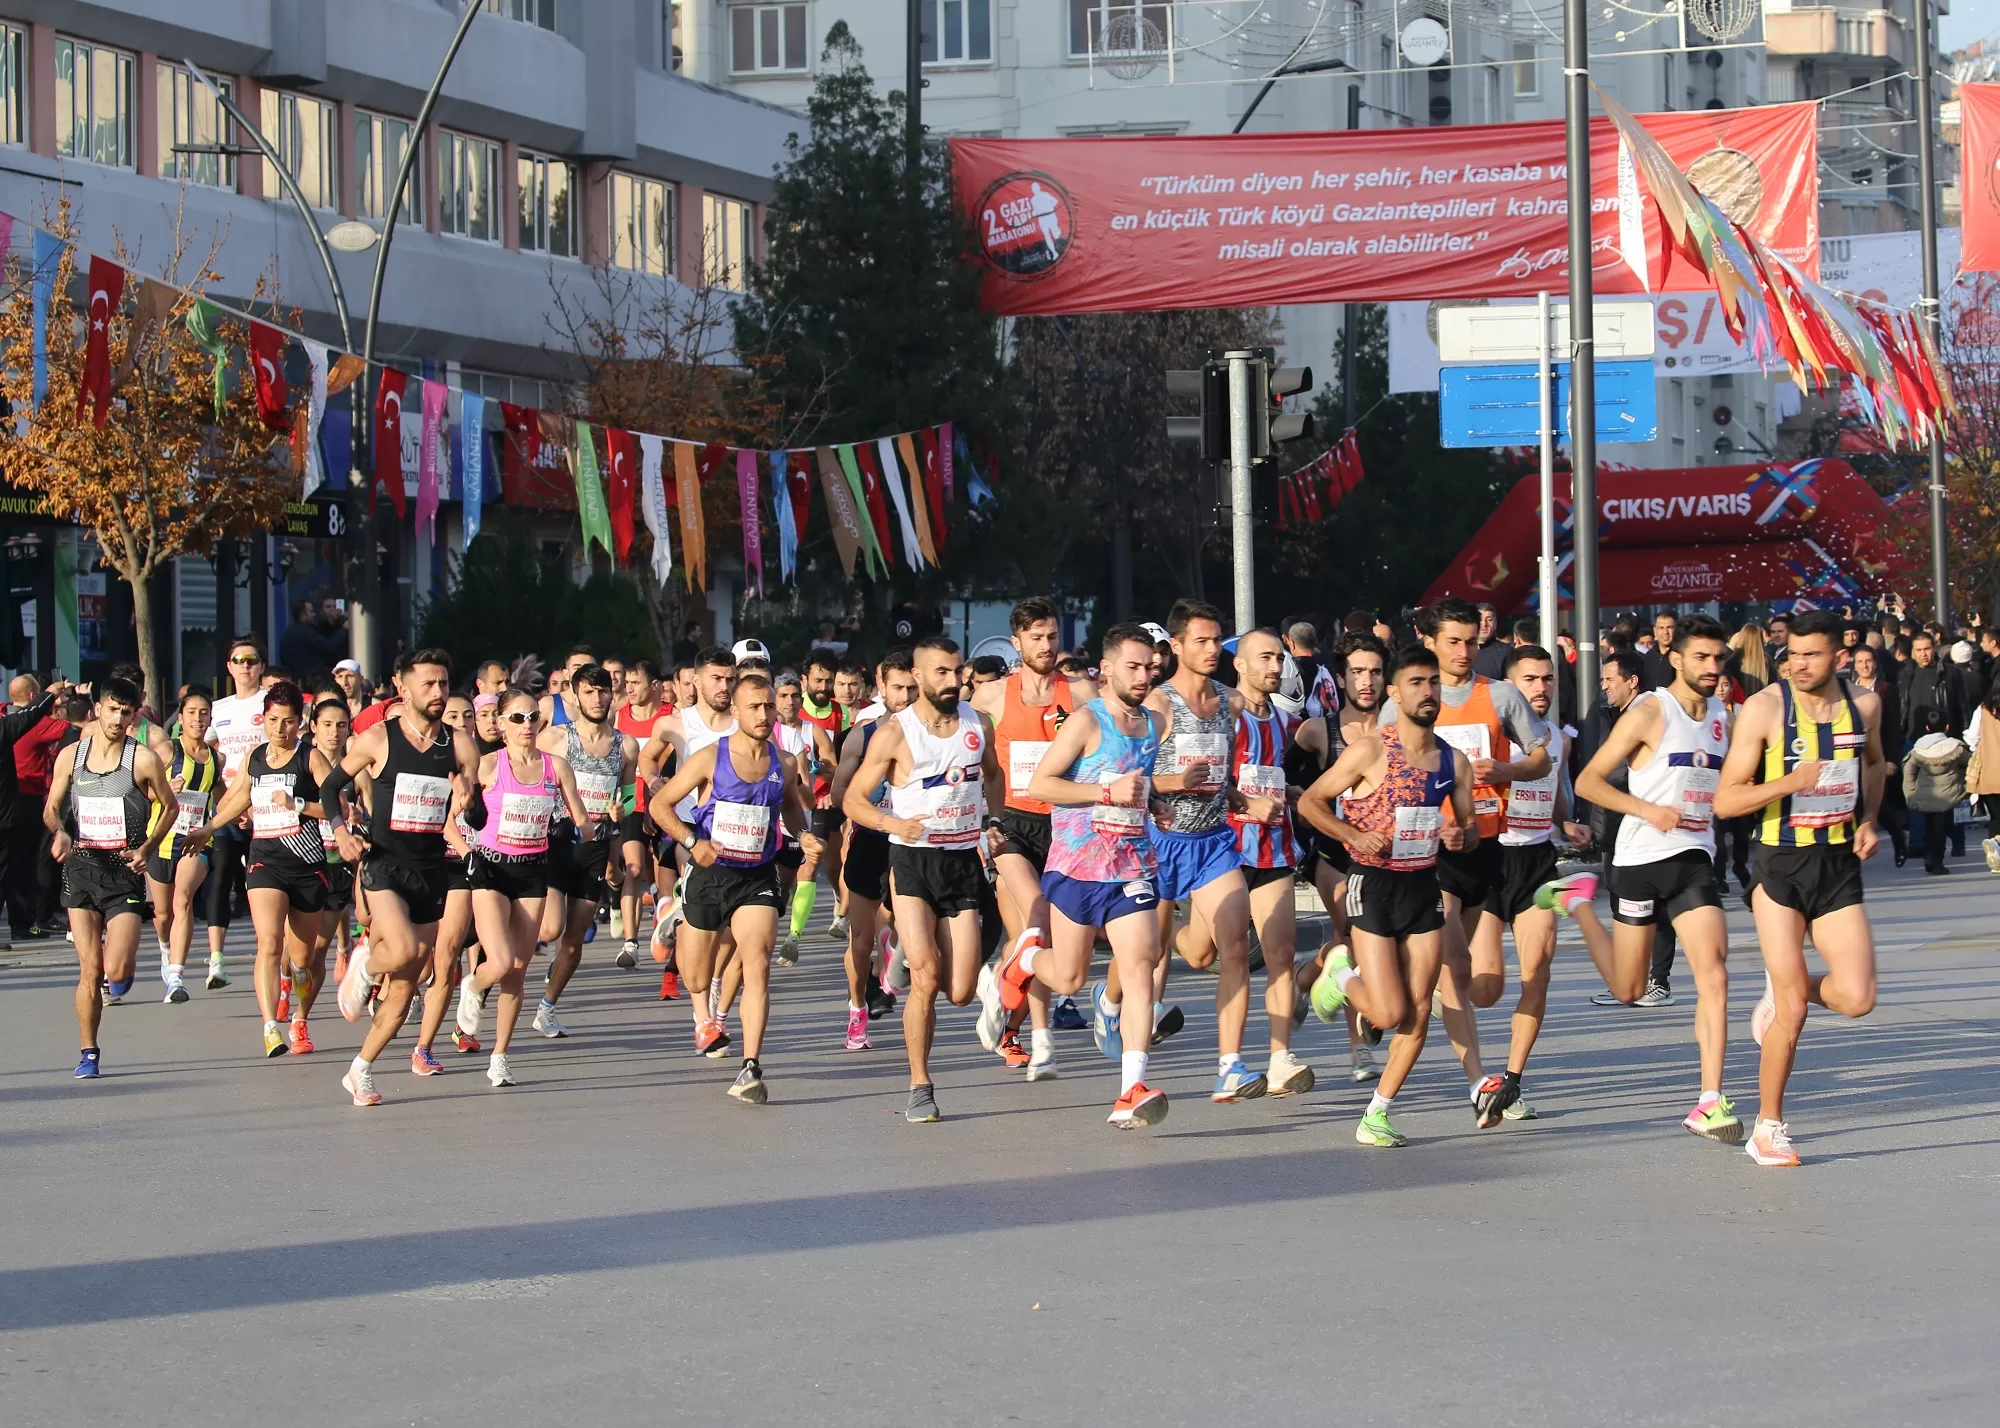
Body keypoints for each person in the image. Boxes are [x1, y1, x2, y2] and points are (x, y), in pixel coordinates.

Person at [1714, 609, 1886, 1167]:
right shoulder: (1766, 708)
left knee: (1858, 997)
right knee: (1793, 1010)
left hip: (1837, 864)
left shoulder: (1865, 704)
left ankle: (1786, 983)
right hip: (1779, 865)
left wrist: (1869, 819)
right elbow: (1725, 800)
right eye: (1792, 654)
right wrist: (1789, 781)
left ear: (1840, 656)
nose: (1799, 664)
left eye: (1812, 655)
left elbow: (1877, 762)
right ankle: (1768, 1128)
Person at [1573, 614, 1743, 1146]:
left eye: (1719, 658)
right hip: (1639, 861)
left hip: (1693, 858)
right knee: (1629, 989)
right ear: (1675, 658)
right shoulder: (1650, 712)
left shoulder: (1724, 715)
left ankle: (1709, 1101)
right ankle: (1576, 902)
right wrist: (1646, 808)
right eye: (1701, 658)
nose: (1712, 668)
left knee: (1714, 976)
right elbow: (1589, 781)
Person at [1299, 644, 1476, 1148]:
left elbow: (1469, 828)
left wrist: (1462, 836)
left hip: (1423, 886)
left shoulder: (1453, 760)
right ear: (1396, 693)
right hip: (1371, 884)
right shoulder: (1372, 749)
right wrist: (1352, 836)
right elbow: (1312, 802)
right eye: (1416, 683)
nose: (1427, 692)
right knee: (1386, 1014)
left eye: (1433, 683)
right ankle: (1338, 966)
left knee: (1420, 1008)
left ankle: (1377, 1113)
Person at [844, 637, 1003, 1122]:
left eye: (958, 672)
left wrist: (993, 823)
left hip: (961, 863)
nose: (953, 681)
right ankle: (920, 1084)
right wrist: (894, 825)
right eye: (941, 673)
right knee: (928, 978)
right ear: (917, 676)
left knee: (958, 991)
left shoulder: (979, 723)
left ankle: (906, 961)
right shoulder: (896, 732)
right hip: (912, 861)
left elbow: (992, 776)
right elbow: (853, 799)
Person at [1405, 597, 1550, 1123]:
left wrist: (1505, 771)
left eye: (1471, 641)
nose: (1464, 651)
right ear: (1430, 641)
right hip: (1430, 849)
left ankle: (1371, 976)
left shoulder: (1502, 695)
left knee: (1477, 983)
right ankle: (1480, 1085)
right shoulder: (1416, 694)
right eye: (1453, 641)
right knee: (1449, 968)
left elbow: (1541, 758)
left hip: (1486, 844)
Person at [1022, 624, 1172, 1128]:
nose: (1143, 676)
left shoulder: (1153, 723)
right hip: (1078, 865)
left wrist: (1158, 803)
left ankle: (1131, 1087)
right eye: (1132, 666)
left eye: (1149, 667)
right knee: (1069, 975)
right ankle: (1024, 960)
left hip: (1131, 864)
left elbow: (1140, 785)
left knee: (1141, 964)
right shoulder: (1087, 722)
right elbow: (1043, 784)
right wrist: (1105, 794)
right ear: (1105, 669)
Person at [323, 649, 483, 1108]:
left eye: (443, 684)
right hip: (384, 863)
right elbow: (331, 787)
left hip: (431, 870)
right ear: (403, 687)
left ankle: (360, 1070)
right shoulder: (378, 738)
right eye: (428, 684)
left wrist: (469, 800)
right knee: (407, 950)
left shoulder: (460, 745)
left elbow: (477, 811)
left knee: (405, 987)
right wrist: (340, 831)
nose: (437, 693)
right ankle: (364, 964)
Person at [651, 673, 819, 1104]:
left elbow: (792, 813)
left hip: (757, 877)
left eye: (768, 706)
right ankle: (677, 923)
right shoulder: (710, 757)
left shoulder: (783, 762)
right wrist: (692, 843)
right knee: (696, 975)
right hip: (711, 873)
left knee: (757, 962)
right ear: (737, 712)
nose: (764, 714)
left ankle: (750, 1067)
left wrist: (805, 837)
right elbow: (659, 804)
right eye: (754, 707)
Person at [1132, 600, 1267, 1103]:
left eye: (1217, 640)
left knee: (1233, 950)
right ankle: (1113, 999)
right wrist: (1171, 782)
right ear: (1176, 646)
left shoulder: (1231, 704)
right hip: (1158, 842)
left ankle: (1230, 1065)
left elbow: (1220, 778)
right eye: (1202, 641)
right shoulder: (1158, 706)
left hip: (1212, 844)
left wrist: (1241, 798)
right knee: (1152, 955)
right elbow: (1125, 778)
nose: (1213, 649)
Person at [1480, 645, 1614, 1124]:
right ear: (1509, 687)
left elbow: (1553, 788)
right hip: (1491, 859)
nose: (1541, 688)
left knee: (1537, 974)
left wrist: (1567, 823)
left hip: (1537, 860)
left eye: (1547, 679)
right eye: (1530, 680)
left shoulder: (1556, 738)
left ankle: (1512, 1081)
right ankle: (1435, 978)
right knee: (1485, 989)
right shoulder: (1491, 735)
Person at [970, 596, 1097, 1081]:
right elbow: (965, 754)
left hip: (1064, 828)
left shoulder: (1080, 693)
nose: (1046, 645)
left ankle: (1015, 1018)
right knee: (1038, 917)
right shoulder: (992, 697)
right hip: (1011, 828)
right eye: (1036, 637)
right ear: (1017, 640)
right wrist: (979, 820)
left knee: (1035, 940)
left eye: (1051, 636)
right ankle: (1036, 1036)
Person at [186, 682, 334, 1059]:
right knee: (269, 943)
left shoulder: (311, 758)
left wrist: (298, 803)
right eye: (272, 721)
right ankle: (270, 1026)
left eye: (288, 722)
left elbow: (339, 809)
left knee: (303, 959)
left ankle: (300, 1017)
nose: (280, 730)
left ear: (300, 724)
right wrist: (208, 827)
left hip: (307, 865)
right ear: (263, 720)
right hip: (264, 860)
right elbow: (236, 799)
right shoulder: (254, 756)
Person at [456, 687, 590, 1087]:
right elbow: (452, 822)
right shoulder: (487, 765)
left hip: (532, 872)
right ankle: (474, 984)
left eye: (533, 717)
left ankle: (499, 1056)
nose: (527, 725)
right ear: (500, 725)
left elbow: (583, 821)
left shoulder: (557, 767)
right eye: (517, 718)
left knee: (517, 970)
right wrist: (467, 852)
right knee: (497, 963)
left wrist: (575, 828)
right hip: (491, 871)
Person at [44, 677, 176, 1078]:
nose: (118, 718)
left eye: (126, 711)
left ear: (135, 715)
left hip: (123, 873)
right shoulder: (71, 755)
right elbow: (51, 807)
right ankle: (89, 1052)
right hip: (81, 868)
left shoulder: (143, 760)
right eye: (112, 709)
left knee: (115, 970)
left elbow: (169, 808)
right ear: (98, 709)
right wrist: (60, 831)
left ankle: (125, 972)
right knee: (90, 970)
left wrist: (148, 849)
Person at [1288, 632, 1391, 1081]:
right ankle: (1358, 1048)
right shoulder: (1318, 730)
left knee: (1358, 942)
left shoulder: (1397, 733)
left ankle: (1308, 975)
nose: (1366, 681)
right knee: (1355, 936)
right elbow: (1287, 785)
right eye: (1357, 672)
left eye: (1375, 671)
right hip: (1333, 852)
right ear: (1341, 676)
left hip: (1388, 857)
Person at [533, 663, 640, 1037]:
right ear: (575, 698)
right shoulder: (556, 739)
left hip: (594, 849)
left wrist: (620, 811)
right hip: (555, 844)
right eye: (589, 692)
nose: (597, 698)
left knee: (574, 943)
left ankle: (546, 1007)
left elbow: (628, 798)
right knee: (550, 928)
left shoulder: (626, 745)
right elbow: (529, 779)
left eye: (603, 690)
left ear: (613, 694)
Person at [828, 652, 920, 1045]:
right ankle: (857, 1009)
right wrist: (867, 801)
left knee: (909, 924)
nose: (904, 696)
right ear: (881, 688)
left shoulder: (934, 736)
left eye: (912, 688)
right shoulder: (862, 736)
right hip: (870, 840)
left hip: (911, 844)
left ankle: (891, 964)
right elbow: (837, 795)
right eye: (897, 688)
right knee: (861, 939)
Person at [204, 637, 272, 991]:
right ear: (229, 667)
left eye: (252, 659)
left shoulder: (270, 701)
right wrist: (224, 797)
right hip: (229, 804)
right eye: (238, 660)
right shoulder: (218, 708)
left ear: (261, 665)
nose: (245, 666)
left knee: (261, 883)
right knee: (220, 876)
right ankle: (216, 959)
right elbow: (209, 754)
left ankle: (270, 951)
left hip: (267, 807)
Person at [148, 688, 218, 1004]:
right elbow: (139, 791)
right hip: (160, 840)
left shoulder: (217, 758)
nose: (198, 718)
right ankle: (166, 948)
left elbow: (226, 794)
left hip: (196, 840)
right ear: (181, 716)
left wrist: (243, 813)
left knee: (183, 899)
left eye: (204, 712)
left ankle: (176, 976)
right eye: (192, 712)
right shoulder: (166, 751)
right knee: (162, 914)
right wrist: (163, 791)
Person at [769, 670, 834, 966]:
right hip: (767, 823)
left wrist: (805, 777)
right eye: (783, 696)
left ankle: (793, 937)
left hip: (802, 817)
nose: (790, 702)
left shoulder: (808, 732)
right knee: (778, 888)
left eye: (795, 696)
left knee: (806, 871)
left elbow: (828, 773)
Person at [790, 650, 851, 955]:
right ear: (805, 680)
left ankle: (841, 905)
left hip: (827, 797)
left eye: (829, 680)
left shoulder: (843, 713)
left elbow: (841, 760)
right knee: (810, 861)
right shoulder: (790, 707)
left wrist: (830, 779)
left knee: (832, 861)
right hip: (795, 798)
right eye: (818, 679)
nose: (824, 686)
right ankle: (794, 932)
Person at [612, 658, 667, 968]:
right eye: (627, 683)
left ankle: (662, 908)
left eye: (636, 683)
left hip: (664, 803)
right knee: (632, 868)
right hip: (632, 803)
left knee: (659, 874)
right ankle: (631, 943)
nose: (628, 688)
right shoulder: (620, 719)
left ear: (655, 685)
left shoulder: (670, 718)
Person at [0, 674, 62, 949]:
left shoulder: (5, 723)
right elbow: (31, 716)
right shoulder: (6, 727)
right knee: (13, 870)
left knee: (17, 869)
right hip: (9, 813)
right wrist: (52, 693)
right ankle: (21, 924)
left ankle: (22, 924)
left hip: (11, 810)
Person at [1903, 711, 1969, 875]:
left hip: (1927, 795)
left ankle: (1929, 856)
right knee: (1943, 827)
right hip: (1950, 795)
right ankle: (1938, 860)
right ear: (1947, 727)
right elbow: (1971, 763)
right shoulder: (1956, 748)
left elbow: (1909, 773)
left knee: (1930, 827)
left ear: (1927, 727)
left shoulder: (1917, 750)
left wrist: (1911, 795)